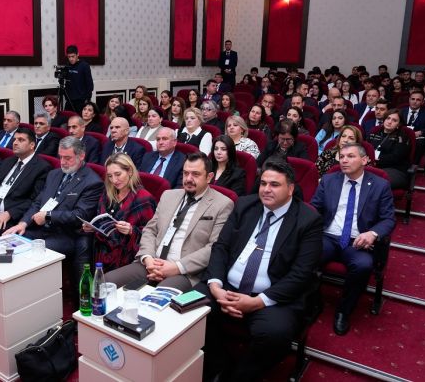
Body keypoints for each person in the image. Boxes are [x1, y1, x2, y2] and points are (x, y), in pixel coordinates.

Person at [197, 160, 323, 381]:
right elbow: (221, 247)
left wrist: (257, 302)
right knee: (190, 308)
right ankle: (218, 362)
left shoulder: (308, 220)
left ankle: (238, 376)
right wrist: (216, 287)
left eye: (274, 184)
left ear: (290, 189)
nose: (266, 189)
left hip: (273, 296)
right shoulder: (245, 205)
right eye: (263, 183)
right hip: (226, 287)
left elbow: (301, 273)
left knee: (275, 335)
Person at [105, 152, 234, 291]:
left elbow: (214, 247)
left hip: (184, 271)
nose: (188, 179)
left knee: (157, 298)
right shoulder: (168, 196)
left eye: (195, 174)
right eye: (185, 173)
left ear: (209, 177)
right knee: (106, 281)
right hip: (151, 263)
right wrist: (148, 258)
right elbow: (150, 230)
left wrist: (177, 267)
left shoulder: (222, 204)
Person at [311, 143, 395, 335]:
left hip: (358, 240)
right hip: (329, 236)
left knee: (363, 265)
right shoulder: (329, 180)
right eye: (341, 157)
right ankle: (312, 301)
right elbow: (314, 207)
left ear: (364, 160)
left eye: (350, 156)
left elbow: (388, 219)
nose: (344, 160)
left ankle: (344, 310)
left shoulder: (380, 185)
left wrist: (372, 234)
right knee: (306, 254)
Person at [5, 137, 104, 281]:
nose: (62, 162)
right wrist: (23, 223)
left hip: (66, 234)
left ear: (81, 156)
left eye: (67, 158)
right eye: (60, 157)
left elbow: (80, 215)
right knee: (10, 242)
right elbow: (38, 202)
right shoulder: (54, 174)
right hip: (41, 228)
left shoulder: (92, 182)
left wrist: (48, 215)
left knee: (34, 254)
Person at [84, 153, 156, 272]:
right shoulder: (108, 193)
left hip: (127, 254)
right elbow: (101, 219)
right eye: (110, 176)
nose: (114, 180)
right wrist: (93, 227)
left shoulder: (144, 198)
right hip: (102, 249)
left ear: (130, 171)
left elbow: (152, 234)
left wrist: (131, 230)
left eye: (118, 174)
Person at [367, 109, 411, 189]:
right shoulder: (375, 132)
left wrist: (375, 160)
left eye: (394, 120)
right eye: (388, 118)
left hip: (395, 170)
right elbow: (365, 148)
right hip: (373, 166)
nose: (389, 122)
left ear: (399, 124)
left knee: (373, 182)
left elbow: (395, 158)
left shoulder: (402, 137)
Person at [400, 89, 425, 165]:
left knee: (420, 143)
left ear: (422, 102)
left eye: (418, 100)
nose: (414, 101)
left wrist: (420, 132)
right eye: (413, 99)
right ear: (409, 100)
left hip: (418, 138)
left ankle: (413, 165)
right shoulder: (401, 111)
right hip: (401, 136)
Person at [65, 45, 93, 113]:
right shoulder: (67, 65)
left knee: (80, 118)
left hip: (81, 100)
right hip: (70, 99)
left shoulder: (84, 65)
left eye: (73, 56)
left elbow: (89, 83)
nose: (71, 59)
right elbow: (67, 83)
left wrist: (88, 99)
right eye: (69, 57)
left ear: (78, 54)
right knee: (67, 116)